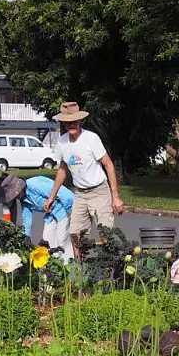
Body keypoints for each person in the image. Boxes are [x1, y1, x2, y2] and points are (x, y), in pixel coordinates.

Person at [44, 101, 123, 260]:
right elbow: (62, 170)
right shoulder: (62, 142)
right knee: (75, 234)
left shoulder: (91, 138)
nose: (71, 124)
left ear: (80, 121)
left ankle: (107, 268)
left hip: (99, 191)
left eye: (74, 121)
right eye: (67, 122)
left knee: (105, 233)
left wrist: (115, 197)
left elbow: (108, 165)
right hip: (80, 194)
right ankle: (79, 272)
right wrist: (51, 197)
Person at [20, 175, 75, 264]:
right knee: (47, 240)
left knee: (62, 238)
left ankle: (69, 264)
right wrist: (26, 236)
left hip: (64, 208)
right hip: (51, 214)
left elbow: (61, 192)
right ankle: (55, 265)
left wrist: (71, 210)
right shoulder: (23, 198)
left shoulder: (34, 185)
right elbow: (27, 217)